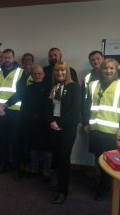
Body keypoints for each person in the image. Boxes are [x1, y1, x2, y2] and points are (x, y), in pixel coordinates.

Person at [83, 58, 120, 201]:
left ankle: (103, 188)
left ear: (116, 70)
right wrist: (85, 123)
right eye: (105, 68)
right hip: (95, 128)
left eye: (112, 68)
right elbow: (87, 105)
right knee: (97, 158)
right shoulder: (93, 84)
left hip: (112, 131)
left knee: (108, 161)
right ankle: (103, 182)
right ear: (101, 70)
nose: (108, 71)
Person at [46, 61, 81, 204]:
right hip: (54, 127)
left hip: (67, 128)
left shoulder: (74, 87)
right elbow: (48, 107)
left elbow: (74, 112)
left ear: (67, 72)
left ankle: (63, 191)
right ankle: (59, 184)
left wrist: (59, 123)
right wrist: (51, 122)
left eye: (63, 71)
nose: (60, 73)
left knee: (63, 158)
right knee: (56, 158)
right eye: (57, 71)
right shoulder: (53, 87)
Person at [0, 48, 27, 181]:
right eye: (4, 57)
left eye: (9, 57)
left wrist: (4, 105)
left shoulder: (21, 72)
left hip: (14, 112)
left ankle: (17, 169)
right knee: (2, 140)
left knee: (15, 141)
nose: (6, 60)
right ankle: (3, 165)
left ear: (13, 57)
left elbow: (21, 93)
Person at [22, 65, 51, 179]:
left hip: (46, 122)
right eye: (35, 74)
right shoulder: (28, 88)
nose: (37, 75)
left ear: (43, 74)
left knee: (47, 149)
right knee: (32, 147)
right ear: (32, 75)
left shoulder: (50, 87)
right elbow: (24, 105)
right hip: (31, 121)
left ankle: (46, 172)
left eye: (39, 73)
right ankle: (34, 169)